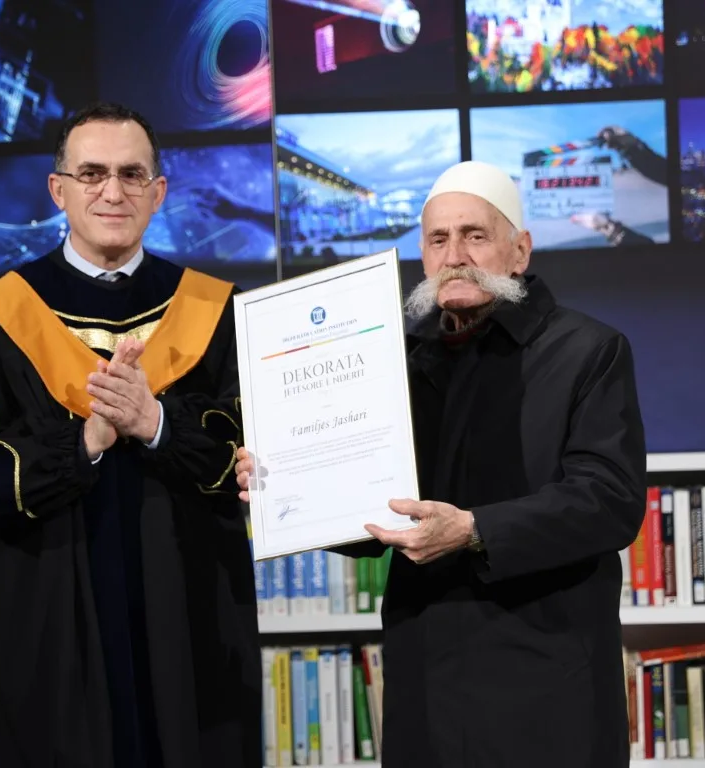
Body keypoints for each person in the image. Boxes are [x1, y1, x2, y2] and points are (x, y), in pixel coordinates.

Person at [236, 160, 648, 767]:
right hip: (424, 675)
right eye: (437, 239)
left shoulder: (589, 350)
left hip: (547, 677)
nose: (455, 255)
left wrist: (474, 530)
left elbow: (609, 501)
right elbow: (373, 514)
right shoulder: (391, 360)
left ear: (520, 250)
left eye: (475, 235)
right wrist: (287, 484)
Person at [0, 101, 260, 768]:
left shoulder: (218, 311)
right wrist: (86, 441)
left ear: (158, 193)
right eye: (92, 173)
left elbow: (251, 458)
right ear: (59, 190)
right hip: (44, 621)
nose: (112, 192)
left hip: (190, 618)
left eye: (133, 175)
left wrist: (156, 424)